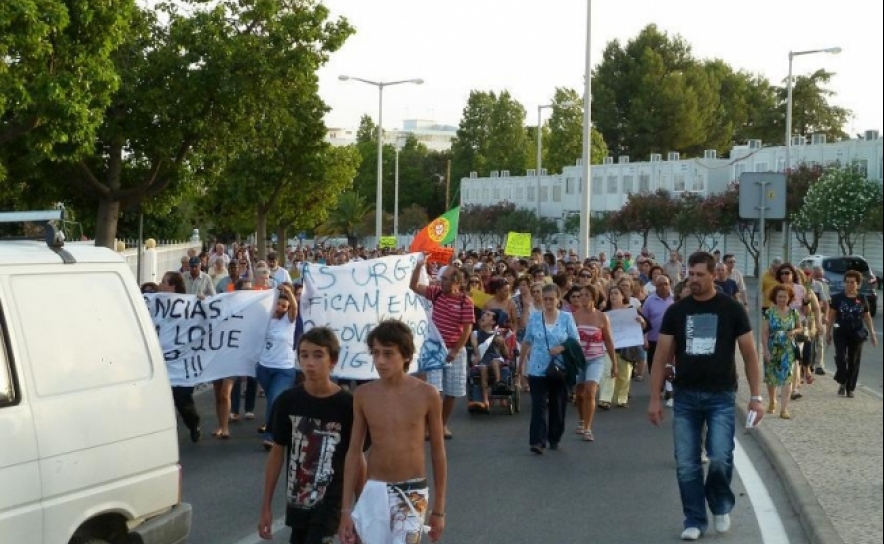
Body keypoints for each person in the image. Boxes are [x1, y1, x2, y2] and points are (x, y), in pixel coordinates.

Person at [647, 251, 764, 541]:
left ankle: (720, 504)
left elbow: (749, 355)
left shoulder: (731, 309)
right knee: (686, 462)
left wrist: (757, 397)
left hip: (721, 395)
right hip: (686, 396)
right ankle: (694, 519)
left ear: (714, 275)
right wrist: (654, 398)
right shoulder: (677, 311)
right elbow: (661, 356)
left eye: (700, 274)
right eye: (691, 273)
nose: (694, 279)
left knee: (720, 456)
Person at [338, 320, 447, 544]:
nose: (380, 361)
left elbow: (438, 452)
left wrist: (439, 510)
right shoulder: (363, 394)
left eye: (388, 354)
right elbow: (353, 452)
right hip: (374, 490)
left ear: (406, 355)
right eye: (376, 353)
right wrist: (345, 509)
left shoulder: (427, 394)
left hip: (412, 491)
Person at [258, 327, 365, 544]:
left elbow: (357, 458)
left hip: (331, 502)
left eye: (318, 355)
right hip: (298, 500)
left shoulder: (348, 405)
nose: (310, 362)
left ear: (332, 360)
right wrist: (266, 507)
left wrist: (360, 511)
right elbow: (277, 453)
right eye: (304, 355)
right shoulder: (287, 401)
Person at [410, 256, 475, 440]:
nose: (441, 281)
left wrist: (455, 351)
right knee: (434, 391)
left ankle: (441, 425)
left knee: (452, 392)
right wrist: (418, 267)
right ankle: (432, 426)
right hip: (434, 349)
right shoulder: (436, 293)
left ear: (456, 281)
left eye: (445, 278)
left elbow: (467, 329)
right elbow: (414, 286)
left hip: (456, 351)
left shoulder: (465, 302)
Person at [519, 284, 579, 454]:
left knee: (557, 404)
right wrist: (520, 364)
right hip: (537, 368)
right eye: (545, 299)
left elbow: (575, 340)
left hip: (559, 368)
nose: (548, 302)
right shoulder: (535, 318)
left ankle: (554, 437)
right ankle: (537, 441)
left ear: (558, 300)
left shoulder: (567, 318)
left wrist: (561, 348)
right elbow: (527, 340)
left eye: (551, 299)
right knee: (538, 405)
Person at [159, 271, 202, 443]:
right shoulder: (157, 304)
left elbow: (203, 319)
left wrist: (202, 303)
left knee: (182, 400)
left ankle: (193, 423)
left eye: (164, 282)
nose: (160, 285)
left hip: (182, 362)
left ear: (173, 286)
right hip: (162, 363)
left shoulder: (187, 305)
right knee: (163, 401)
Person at [571, 284, 617, 442]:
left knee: (590, 391)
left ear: (593, 297)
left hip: (596, 358)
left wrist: (614, 364)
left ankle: (588, 428)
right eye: (580, 295)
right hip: (578, 359)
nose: (582, 298)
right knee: (579, 393)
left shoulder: (602, 317)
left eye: (585, 295)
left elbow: (609, 341)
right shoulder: (574, 316)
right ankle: (581, 419)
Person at [256, 285, 299, 450]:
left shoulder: (289, 321)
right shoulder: (266, 320)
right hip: (264, 368)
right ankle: (285, 425)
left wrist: (289, 293)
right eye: (278, 304)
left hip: (284, 369)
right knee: (273, 401)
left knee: (274, 400)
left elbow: (295, 307)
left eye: (284, 306)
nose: (280, 308)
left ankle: (270, 436)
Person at [826, 270, 879, 398]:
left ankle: (849, 388)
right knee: (841, 357)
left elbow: (867, 317)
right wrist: (828, 332)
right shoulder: (837, 298)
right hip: (840, 332)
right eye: (847, 282)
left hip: (856, 333)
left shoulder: (862, 298)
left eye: (852, 282)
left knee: (854, 361)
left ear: (858, 284)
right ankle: (842, 381)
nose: (849, 284)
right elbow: (831, 316)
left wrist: (872, 333)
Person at [761, 284, 802, 419]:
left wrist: (794, 331)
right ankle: (772, 401)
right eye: (779, 296)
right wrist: (765, 350)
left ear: (789, 298)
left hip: (787, 348)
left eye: (785, 296)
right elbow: (765, 333)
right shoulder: (769, 313)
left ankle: (784, 409)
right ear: (775, 297)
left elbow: (800, 328)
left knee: (787, 377)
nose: (782, 299)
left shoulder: (793, 313)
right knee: (771, 377)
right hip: (773, 347)